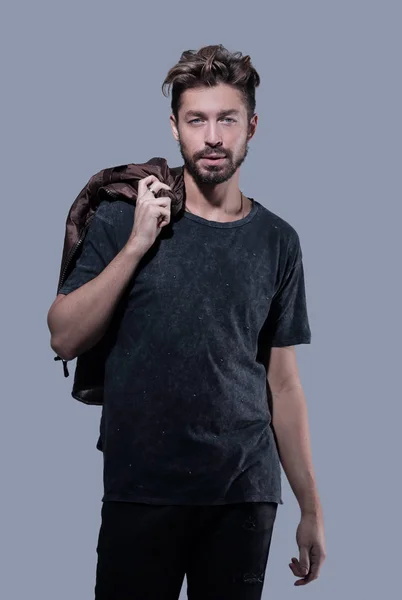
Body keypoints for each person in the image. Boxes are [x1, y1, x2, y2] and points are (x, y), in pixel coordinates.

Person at [47, 44, 326, 599]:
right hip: (142, 486)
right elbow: (63, 336)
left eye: (227, 119)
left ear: (252, 125)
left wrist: (311, 508)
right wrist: (136, 246)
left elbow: (284, 383)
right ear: (175, 128)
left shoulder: (278, 240)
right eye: (197, 120)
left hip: (244, 493)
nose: (213, 136)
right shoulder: (123, 215)